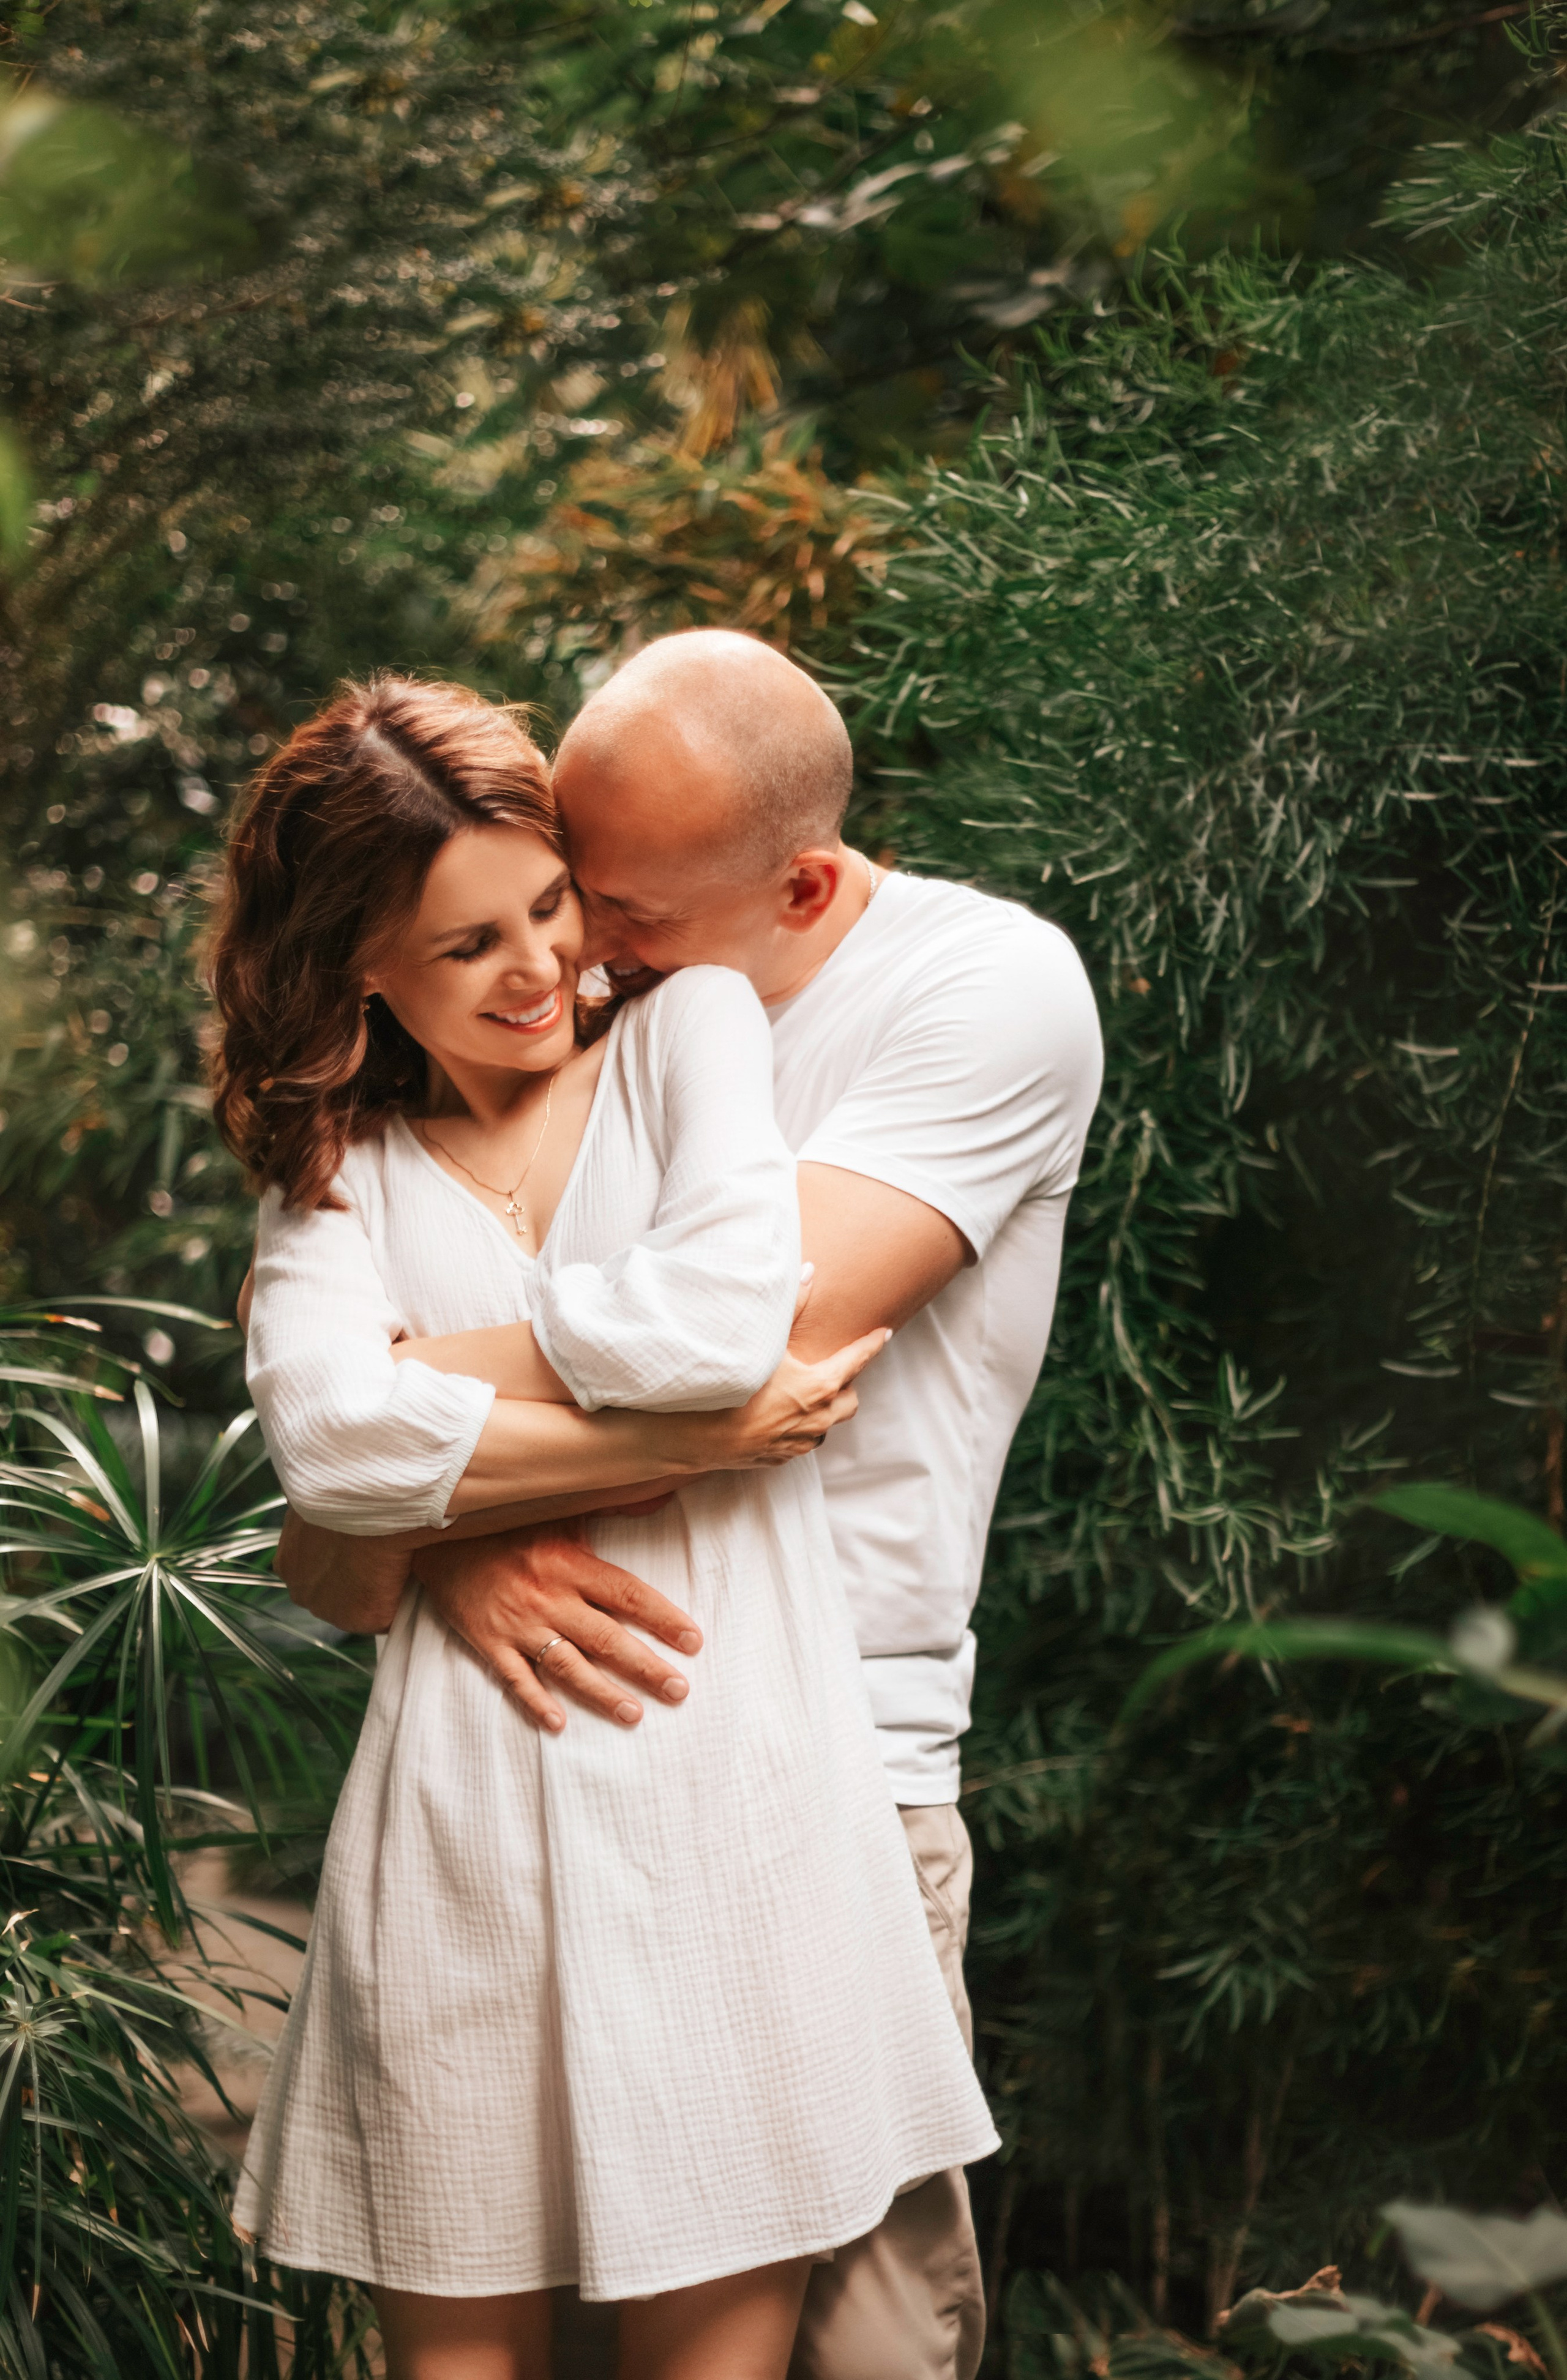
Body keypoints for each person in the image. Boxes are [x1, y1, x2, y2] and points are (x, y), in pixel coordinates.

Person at [277, 633, 1104, 2380]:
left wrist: (398, 1403)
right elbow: (323, 1537)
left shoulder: (977, 991)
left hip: (824, 1765)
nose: (574, 949)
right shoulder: (535, 1044)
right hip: (513, 1765)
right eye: (552, 888)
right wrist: (441, 1530)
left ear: (796, 884)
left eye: (613, 908)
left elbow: (748, 1364)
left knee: (862, 2353)